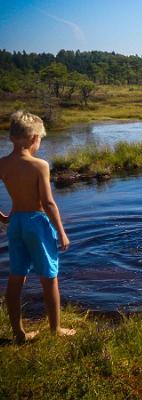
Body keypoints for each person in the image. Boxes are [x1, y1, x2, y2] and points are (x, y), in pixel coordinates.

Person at [0, 111, 75, 343]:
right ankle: (56, 329)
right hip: (37, 223)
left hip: (16, 223)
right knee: (49, 278)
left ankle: (19, 334)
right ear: (33, 138)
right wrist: (61, 232)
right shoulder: (39, 165)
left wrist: (3, 217)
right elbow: (47, 202)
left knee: (16, 277)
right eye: (40, 138)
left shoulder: (2, 164)